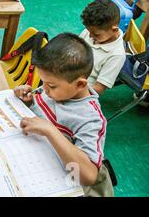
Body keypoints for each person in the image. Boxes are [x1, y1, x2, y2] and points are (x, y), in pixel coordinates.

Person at [15, 33, 114, 197]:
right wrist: (29, 102)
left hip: (69, 184)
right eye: (43, 83)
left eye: (51, 85)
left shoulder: (90, 119)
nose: (44, 89)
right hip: (38, 159)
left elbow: (89, 176)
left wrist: (51, 131)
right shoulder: (57, 91)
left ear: (80, 84)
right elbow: (43, 106)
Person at [79, 0, 126, 95]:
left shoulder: (116, 55)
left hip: (82, 91)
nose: (90, 36)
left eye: (96, 35)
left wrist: (73, 91)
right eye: (88, 31)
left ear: (114, 30)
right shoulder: (91, 32)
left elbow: (99, 89)